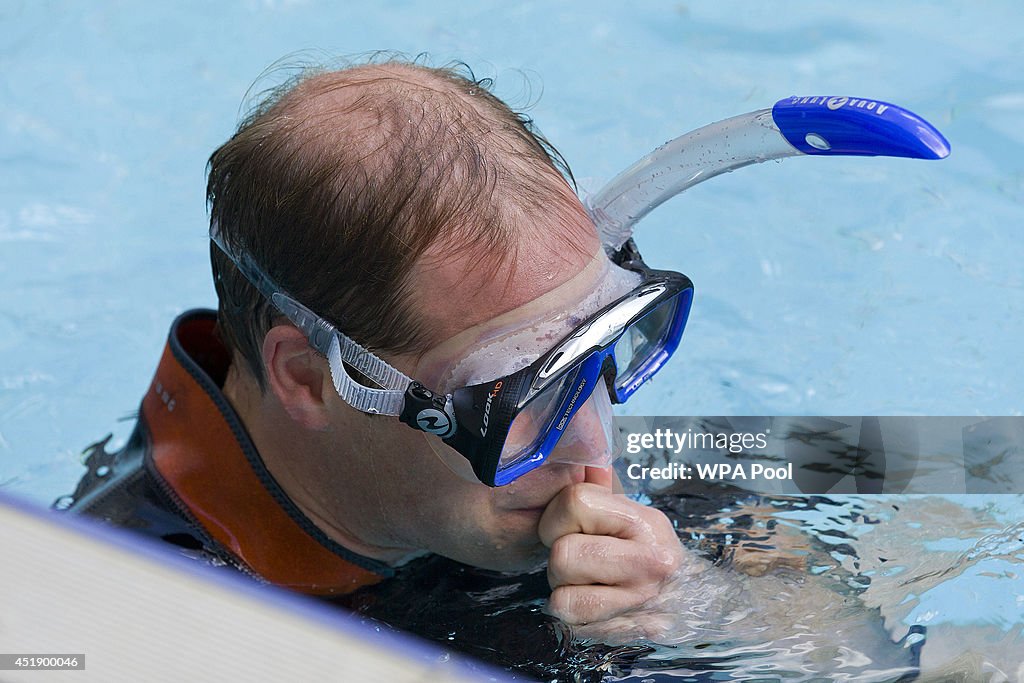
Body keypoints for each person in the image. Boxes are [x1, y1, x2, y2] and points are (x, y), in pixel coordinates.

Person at [58, 57, 693, 630]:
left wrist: (700, 602)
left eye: (603, 348)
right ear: (308, 378)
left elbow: (791, 531)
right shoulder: (134, 619)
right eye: (512, 390)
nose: (597, 448)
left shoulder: (531, 465)